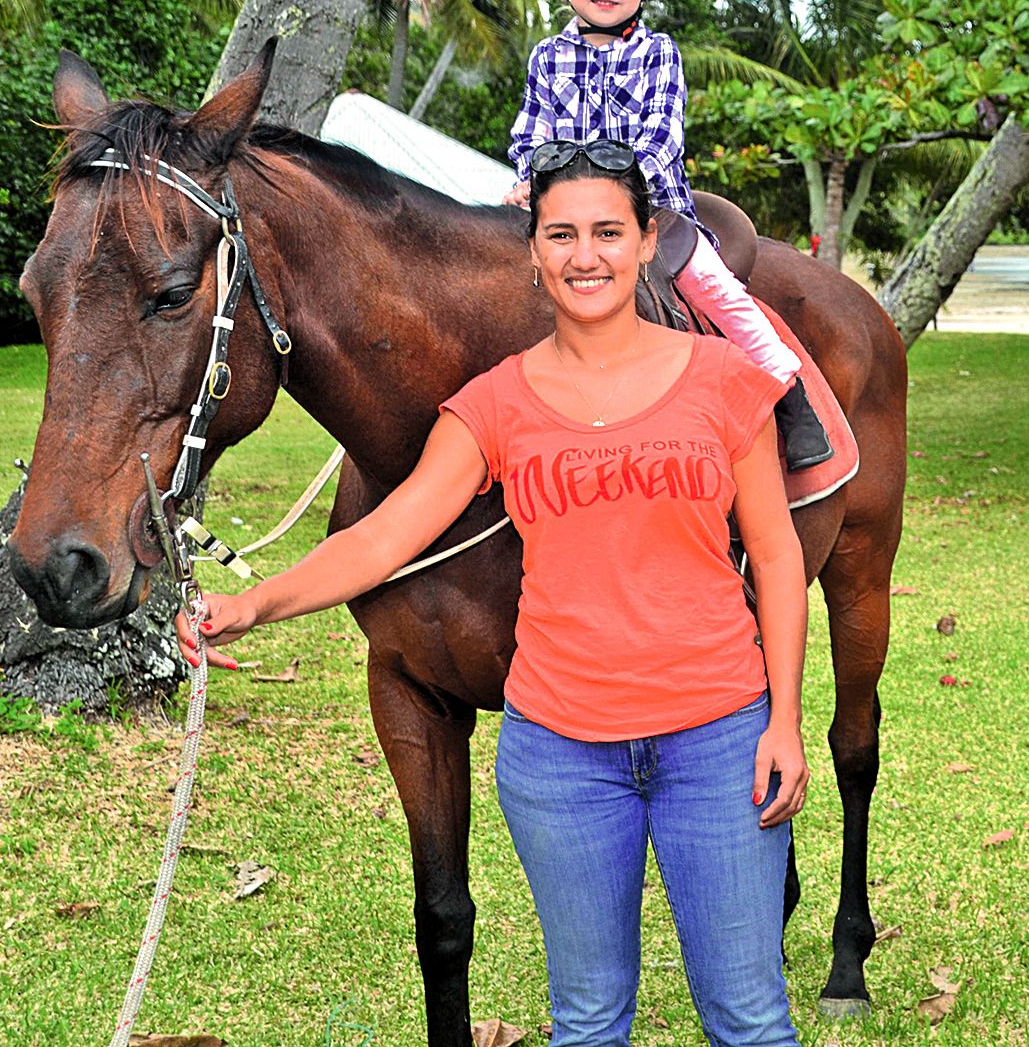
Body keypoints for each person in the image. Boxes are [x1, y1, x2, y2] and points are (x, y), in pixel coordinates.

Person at [178, 149, 812, 1046]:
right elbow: (384, 537)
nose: (583, 255)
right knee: (587, 1019)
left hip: (717, 741)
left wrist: (782, 719)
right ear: (533, 251)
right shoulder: (493, 403)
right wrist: (252, 604)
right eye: (561, 234)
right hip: (559, 759)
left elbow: (779, 560)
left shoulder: (723, 380)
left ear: (646, 243)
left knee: (746, 1016)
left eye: (606, 232)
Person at [504, 0, 833, 471]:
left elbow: (659, 140)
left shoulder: (658, 53)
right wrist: (531, 178)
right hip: (558, 214)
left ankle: (790, 394)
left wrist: (610, 199)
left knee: (718, 291)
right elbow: (530, 134)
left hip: (652, 213)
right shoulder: (547, 57)